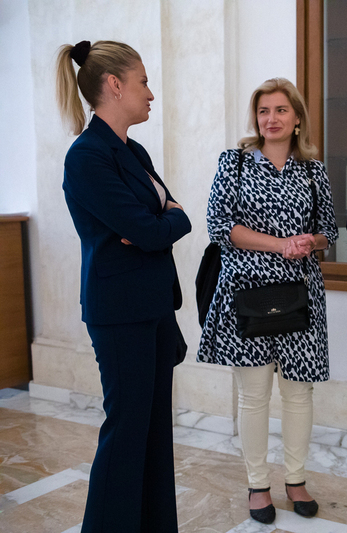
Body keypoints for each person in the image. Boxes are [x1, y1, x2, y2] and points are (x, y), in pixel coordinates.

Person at [56, 40, 192, 533]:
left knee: (154, 434)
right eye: (143, 82)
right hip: (119, 313)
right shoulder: (87, 157)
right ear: (115, 85)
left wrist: (160, 223)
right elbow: (156, 227)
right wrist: (161, 222)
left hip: (154, 307)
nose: (151, 93)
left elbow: (168, 221)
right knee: (127, 433)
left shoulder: (133, 151)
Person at [198, 77, 337, 524]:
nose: (270, 119)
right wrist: (281, 245)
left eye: (280, 110)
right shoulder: (235, 162)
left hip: (301, 294)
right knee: (254, 395)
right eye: (263, 111)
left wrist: (310, 241)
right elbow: (219, 226)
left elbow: (329, 231)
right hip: (246, 292)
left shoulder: (313, 170)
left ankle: (295, 480)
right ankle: (258, 485)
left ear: (297, 119)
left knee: (298, 392)